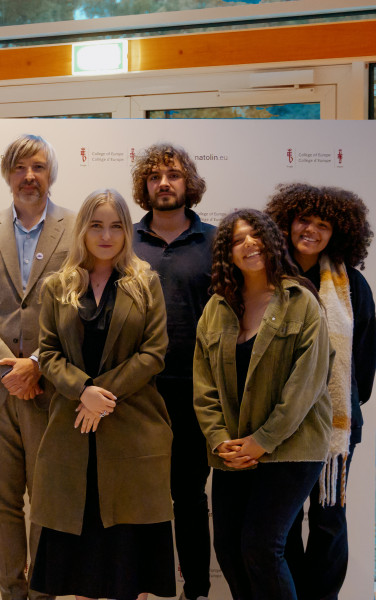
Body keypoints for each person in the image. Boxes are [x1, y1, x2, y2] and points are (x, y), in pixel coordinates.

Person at [30, 189, 175, 600]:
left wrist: (100, 395)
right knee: (82, 568)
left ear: (127, 231)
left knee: (130, 567)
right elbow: (49, 353)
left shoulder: (145, 282)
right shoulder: (57, 285)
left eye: (115, 226)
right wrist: (82, 391)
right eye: (96, 226)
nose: (106, 236)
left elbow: (154, 352)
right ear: (83, 230)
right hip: (73, 433)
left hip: (133, 430)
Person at [193, 209, 333, 600]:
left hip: (292, 447)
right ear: (227, 254)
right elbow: (203, 385)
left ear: (271, 241)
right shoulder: (216, 308)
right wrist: (219, 440)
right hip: (235, 450)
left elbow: (306, 385)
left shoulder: (300, 301)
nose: (248, 244)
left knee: (261, 547)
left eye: (255, 235)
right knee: (228, 549)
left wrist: (263, 440)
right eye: (237, 240)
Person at [0, 134, 75, 600]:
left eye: (39, 167)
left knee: (48, 504)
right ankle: (12, 593)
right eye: (20, 167)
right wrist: (9, 370)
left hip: (52, 389)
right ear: (7, 174)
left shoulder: (76, 227)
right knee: (1, 505)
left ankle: (43, 594)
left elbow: (81, 306)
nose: (30, 176)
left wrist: (36, 364)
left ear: (51, 174)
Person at [264, 183, 376, 600]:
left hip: (335, 422)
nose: (311, 230)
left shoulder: (353, 285)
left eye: (323, 225)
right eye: (304, 220)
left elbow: (363, 355)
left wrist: (341, 404)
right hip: (279, 420)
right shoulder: (267, 277)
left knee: (329, 518)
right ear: (287, 222)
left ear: (338, 232)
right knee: (286, 519)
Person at [131, 142, 214, 600]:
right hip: (135, 391)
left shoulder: (216, 241)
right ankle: (142, 588)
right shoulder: (124, 240)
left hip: (195, 392)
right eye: (155, 176)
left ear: (189, 183)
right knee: (140, 497)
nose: (164, 183)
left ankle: (196, 591)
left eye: (174, 175)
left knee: (190, 497)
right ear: (144, 186)